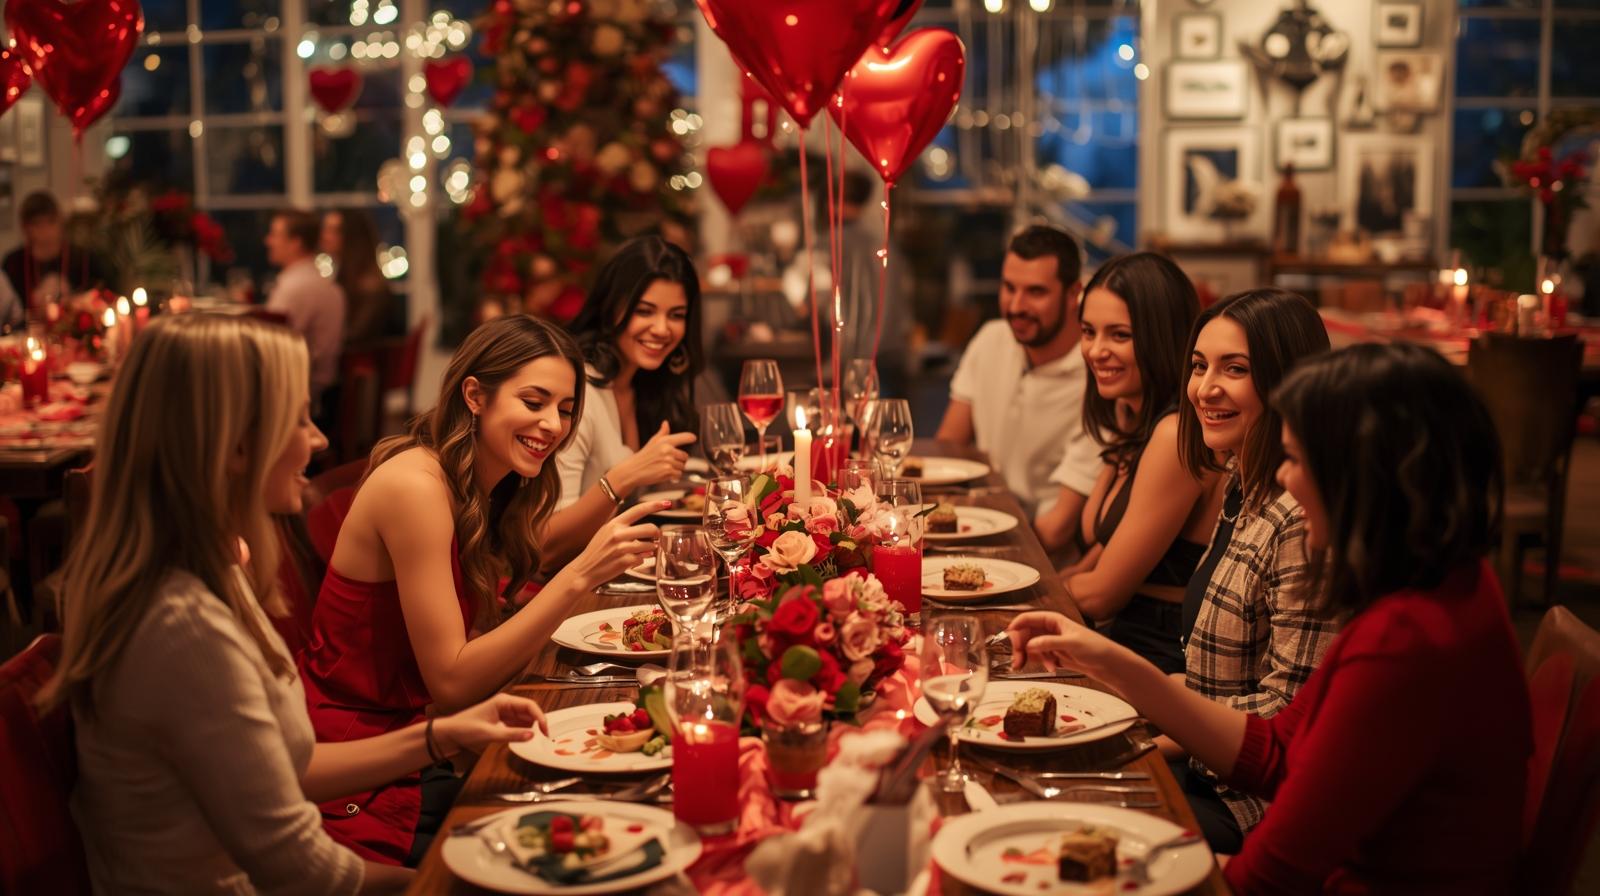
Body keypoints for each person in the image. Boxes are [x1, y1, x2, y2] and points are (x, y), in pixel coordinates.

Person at [43, 314, 549, 895]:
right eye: (299, 419)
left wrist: (445, 735)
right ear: (234, 444)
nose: (320, 439)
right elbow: (301, 872)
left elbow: (287, 773)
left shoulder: (212, 569)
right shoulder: (180, 625)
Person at [1009, 342, 1531, 894]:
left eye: (1299, 460)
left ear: (1363, 477)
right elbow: (1278, 750)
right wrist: (1107, 661)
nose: (1287, 479)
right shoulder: (1449, 584)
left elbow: (1273, 876)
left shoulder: (1407, 638)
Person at [299, 314, 664, 865]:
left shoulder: (480, 485)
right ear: (475, 395)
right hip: (357, 766)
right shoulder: (417, 486)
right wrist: (580, 576)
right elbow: (451, 681)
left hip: (417, 745)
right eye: (534, 401)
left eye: (565, 410)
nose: (552, 425)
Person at [1172, 288, 1338, 853]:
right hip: (1206, 769)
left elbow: (1289, 719)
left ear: (1288, 383)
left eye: (1234, 369)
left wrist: (1162, 714)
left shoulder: (1301, 518)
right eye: (1199, 366)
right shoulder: (1245, 478)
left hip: (1248, 806)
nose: (1204, 388)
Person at [1047, 253, 1220, 673]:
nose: (1096, 351)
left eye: (1119, 335)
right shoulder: (1135, 418)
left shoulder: (1174, 433)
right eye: (1088, 332)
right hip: (1119, 642)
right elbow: (1094, 565)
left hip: (1159, 660)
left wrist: (1025, 595)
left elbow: (1103, 594)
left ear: (1163, 337)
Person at [546, 235, 700, 567]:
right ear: (611, 306)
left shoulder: (642, 385)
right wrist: (623, 477)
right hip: (557, 589)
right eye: (644, 311)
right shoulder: (579, 392)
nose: (662, 329)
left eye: (676, 315)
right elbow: (545, 547)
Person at [936, 224, 1101, 522]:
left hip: (1043, 551)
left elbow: (1060, 529)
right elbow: (950, 446)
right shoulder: (991, 338)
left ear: (1074, 293)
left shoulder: (1098, 373)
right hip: (978, 524)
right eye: (1009, 287)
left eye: (1035, 292)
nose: (1016, 306)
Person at [265, 208, 346, 416]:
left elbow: (270, 351)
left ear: (296, 242)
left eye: (275, 234)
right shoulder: (329, 286)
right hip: (328, 396)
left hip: (303, 404)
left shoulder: (295, 288)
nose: (268, 241)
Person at [2, 191, 114, 318]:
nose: (46, 231)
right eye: (37, 224)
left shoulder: (83, 259)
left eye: (51, 222)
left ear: (61, 221)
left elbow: (106, 297)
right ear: (25, 228)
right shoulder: (13, 263)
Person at [321, 208, 396, 346]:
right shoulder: (348, 276)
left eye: (333, 231)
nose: (324, 236)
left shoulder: (371, 288)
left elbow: (355, 339)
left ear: (352, 237)